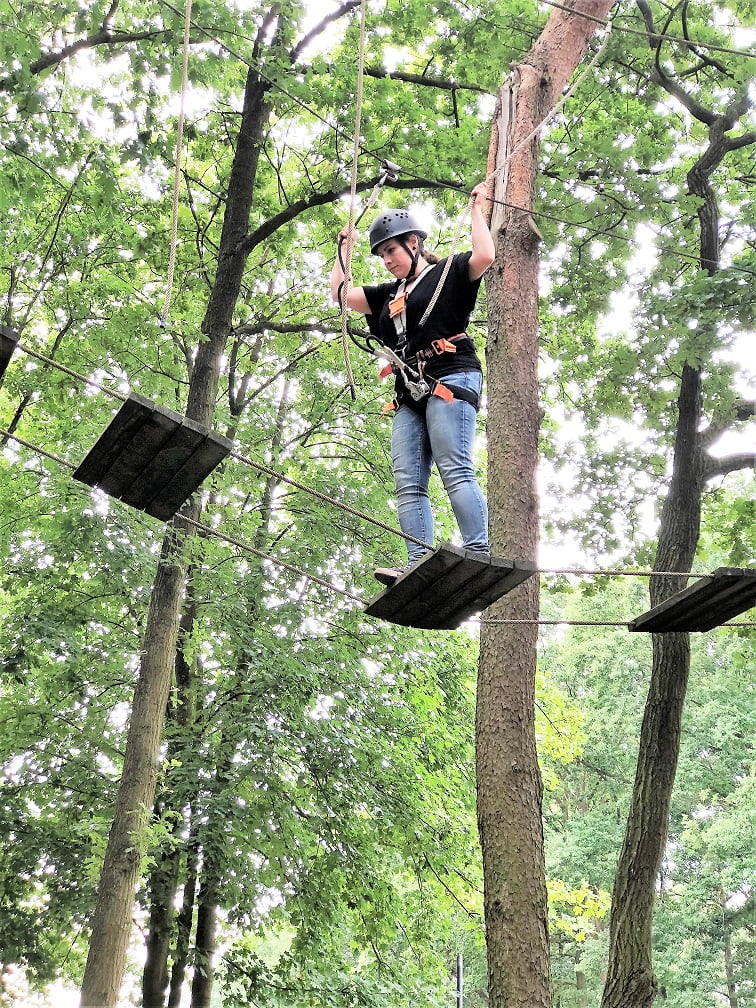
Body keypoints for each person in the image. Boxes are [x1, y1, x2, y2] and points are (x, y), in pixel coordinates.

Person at [331, 181, 495, 586]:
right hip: (410, 391)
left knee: (454, 467)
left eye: (391, 250)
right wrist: (343, 252)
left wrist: (478, 211)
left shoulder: (448, 273)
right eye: (382, 254)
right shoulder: (387, 296)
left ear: (414, 244)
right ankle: (417, 560)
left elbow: (485, 255)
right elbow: (340, 295)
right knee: (408, 480)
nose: (387, 260)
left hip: (451, 375)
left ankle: (478, 552)